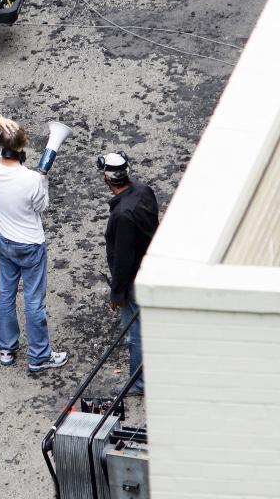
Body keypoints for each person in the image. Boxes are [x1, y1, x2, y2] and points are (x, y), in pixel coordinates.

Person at [0, 113, 67, 373]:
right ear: (22, 146)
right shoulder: (31, 179)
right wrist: (43, 180)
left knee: (6, 293)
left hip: (4, 238)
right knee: (33, 300)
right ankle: (39, 355)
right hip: (30, 243)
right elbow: (42, 207)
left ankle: (7, 348)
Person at [99, 152, 159, 396]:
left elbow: (123, 259)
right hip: (151, 267)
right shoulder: (145, 191)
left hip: (135, 278)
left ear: (107, 180)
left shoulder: (122, 215)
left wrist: (117, 293)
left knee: (135, 334)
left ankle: (140, 382)